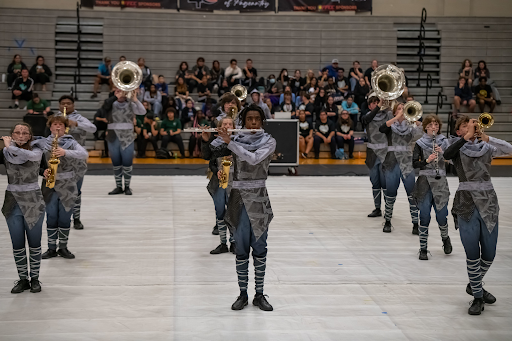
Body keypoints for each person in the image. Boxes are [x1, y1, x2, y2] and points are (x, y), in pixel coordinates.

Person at [443, 115, 512, 315]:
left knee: (489, 254)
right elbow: (447, 154)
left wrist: (486, 137)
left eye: (473, 125)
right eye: (465, 126)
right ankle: (478, 297)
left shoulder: (487, 147)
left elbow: (509, 149)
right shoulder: (455, 146)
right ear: (459, 132)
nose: (470, 128)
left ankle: (474, 285)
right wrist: (468, 136)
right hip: (465, 201)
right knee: (472, 254)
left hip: (489, 200)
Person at [219, 104, 276, 312]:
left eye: (257, 119)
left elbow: (253, 159)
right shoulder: (234, 139)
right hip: (237, 199)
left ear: (262, 121)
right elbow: (216, 152)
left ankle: (259, 294)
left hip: (259, 199)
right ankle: (242, 294)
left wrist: (229, 143)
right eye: (249, 119)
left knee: (260, 249)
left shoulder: (269, 141)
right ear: (243, 122)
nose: (253, 123)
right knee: (241, 250)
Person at [1, 123, 45, 293]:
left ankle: (35, 278)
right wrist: (7, 147)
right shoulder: (5, 151)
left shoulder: (37, 151)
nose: (20, 135)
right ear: (12, 134)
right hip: (12, 200)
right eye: (17, 133)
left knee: (34, 242)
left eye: (24, 133)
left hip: (33, 199)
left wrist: (9, 145)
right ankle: (22, 279)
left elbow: (31, 159)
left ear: (29, 136)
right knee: (17, 243)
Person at [38, 115, 88, 260]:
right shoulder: (42, 143)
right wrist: (42, 171)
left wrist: (66, 152)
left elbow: (84, 154)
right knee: (51, 215)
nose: (57, 127)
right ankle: (51, 248)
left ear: (65, 127)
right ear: (50, 127)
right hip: (50, 183)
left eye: (60, 124)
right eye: (54, 124)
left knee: (65, 216)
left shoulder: (70, 142)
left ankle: (63, 247)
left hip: (67, 183)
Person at [412, 115, 452, 260]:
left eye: (436, 124)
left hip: (440, 181)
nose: (434, 127)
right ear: (426, 127)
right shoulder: (420, 143)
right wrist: (427, 160)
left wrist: (443, 153)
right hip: (424, 182)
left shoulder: (445, 142)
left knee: (441, 216)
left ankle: (445, 238)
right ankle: (423, 248)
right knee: (424, 216)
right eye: (431, 124)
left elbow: (453, 161)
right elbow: (414, 163)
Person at [379, 103, 422, 233]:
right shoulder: (390, 125)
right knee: (391, 192)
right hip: (392, 161)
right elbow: (382, 128)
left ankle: (415, 223)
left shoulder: (411, 126)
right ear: (394, 112)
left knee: (412, 193)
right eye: (399, 109)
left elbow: (424, 129)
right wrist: (396, 117)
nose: (402, 111)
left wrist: (412, 118)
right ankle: (387, 221)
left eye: (404, 109)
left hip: (406, 161)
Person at [58, 95, 97, 230]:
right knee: (59, 189)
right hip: (60, 160)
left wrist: (76, 123)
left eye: (68, 103)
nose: (66, 106)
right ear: (59, 105)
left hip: (77, 160)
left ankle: (76, 218)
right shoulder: (55, 119)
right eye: (63, 103)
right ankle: (61, 217)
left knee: (76, 190)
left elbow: (93, 129)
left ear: (73, 105)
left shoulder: (80, 118)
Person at [201, 117, 236, 254]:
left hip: (235, 181)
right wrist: (205, 140)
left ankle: (234, 243)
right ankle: (223, 243)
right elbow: (208, 159)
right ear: (219, 126)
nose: (227, 126)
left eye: (230, 124)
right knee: (220, 212)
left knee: (233, 213)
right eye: (224, 124)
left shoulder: (239, 142)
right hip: (219, 181)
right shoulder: (214, 143)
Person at [102, 89, 145, 195]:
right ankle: (118, 187)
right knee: (116, 162)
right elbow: (104, 109)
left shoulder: (131, 103)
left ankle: (127, 186)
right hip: (113, 135)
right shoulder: (110, 103)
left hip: (127, 135)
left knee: (127, 162)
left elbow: (143, 111)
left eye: (123, 91)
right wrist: (115, 97)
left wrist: (135, 100)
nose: (121, 93)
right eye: (118, 91)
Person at [361, 97, 389, 218]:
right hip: (372, 153)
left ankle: (389, 208)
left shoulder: (387, 115)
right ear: (369, 106)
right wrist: (379, 106)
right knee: (375, 182)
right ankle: (377, 208)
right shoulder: (366, 117)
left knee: (386, 182)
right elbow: (367, 119)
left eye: (378, 102)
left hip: (385, 152)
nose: (376, 104)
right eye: (373, 103)